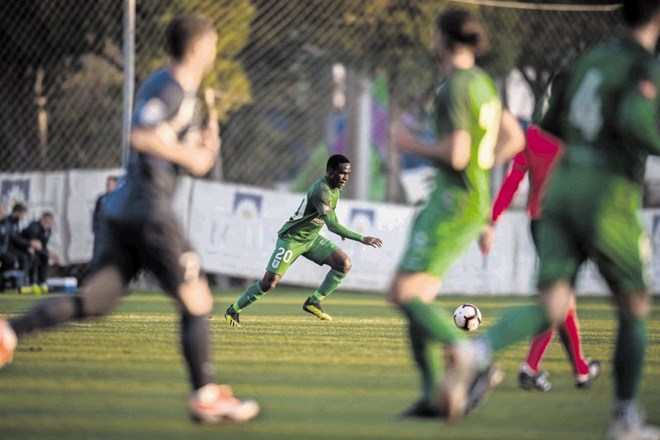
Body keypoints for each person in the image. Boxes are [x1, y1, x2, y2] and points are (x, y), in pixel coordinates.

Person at [0, 15, 260, 424]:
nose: (213, 52)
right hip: (147, 210)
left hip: (122, 210)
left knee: (95, 300)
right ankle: (205, 396)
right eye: (211, 45)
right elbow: (140, 135)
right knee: (197, 298)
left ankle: (8, 333)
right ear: (198, 49)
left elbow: (167, 147)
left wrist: (201, 151)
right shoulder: (170, 87)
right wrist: (191, 155)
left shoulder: (178, 92)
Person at [440, 2, 660, 438]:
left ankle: (478, 352)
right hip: (605, 194)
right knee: (634, 305)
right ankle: (623, 418)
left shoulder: (588, 60)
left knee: (554, 304)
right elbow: (636, 122)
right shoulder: (643, 64)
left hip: (557, 196)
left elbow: (551, 125)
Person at [386, 7, 524, 419]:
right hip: (470, 202)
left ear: (442, 38)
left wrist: (409, 143)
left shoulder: (454, 87)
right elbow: (514, 137)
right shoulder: (482, 83)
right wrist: (483, 177)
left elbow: (458, 154)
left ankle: (475, 360)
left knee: (401, 294)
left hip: (452, 203)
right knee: (419, 298)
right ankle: (435, 397)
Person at [479, 113, 601, 391]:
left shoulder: (532, 136)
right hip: (566, 222)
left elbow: (513, 180)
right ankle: (531, 368)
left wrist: (493, 220)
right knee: (557, 297)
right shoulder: (579, 132)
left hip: (539, 223)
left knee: (562, 298)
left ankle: (581, 369)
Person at [224, 154, 383, 326]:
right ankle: (233, 310)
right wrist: (361, 238)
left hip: (311, 238)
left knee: (343, 263)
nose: (345, 178)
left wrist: (338, 227)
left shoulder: (335, 189)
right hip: (292, 239)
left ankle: (313, 302)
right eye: (342, 173)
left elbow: (331, 214)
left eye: (348, 174)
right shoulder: (320, 190)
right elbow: (330, 225)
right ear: (330, 172)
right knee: (269, 282)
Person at [3, 203, 42, 292]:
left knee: (32, 256)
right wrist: (30, 244)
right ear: (17, 212)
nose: (23, 216)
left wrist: (28, 246)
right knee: (23, 257)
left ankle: (29, 281)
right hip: (7, 250)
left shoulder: (16, 223)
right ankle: (19, 283)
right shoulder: (7, 222)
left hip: (14, 249)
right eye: (22, 214)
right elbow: (14, 238)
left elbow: (18, 237)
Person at [22, 212, 59, 294]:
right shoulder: (34, 227)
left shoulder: (48, 231)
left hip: (37, 250)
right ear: (42, 220)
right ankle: (31, 282)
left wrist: (49, 253)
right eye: (46, 222)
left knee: (45, 258)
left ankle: (42, 282)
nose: (48, 224)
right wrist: (47, 253)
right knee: (34, 258)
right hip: (24, 249)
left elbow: (43, 246)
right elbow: (34, 245)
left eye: (50, 222)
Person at [92, 175, 118, 255]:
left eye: (110, 184)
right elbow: (96, 215)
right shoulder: (101, 199)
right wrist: (96, 229)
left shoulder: (121, 199)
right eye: (107, 184)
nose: (108, 186)